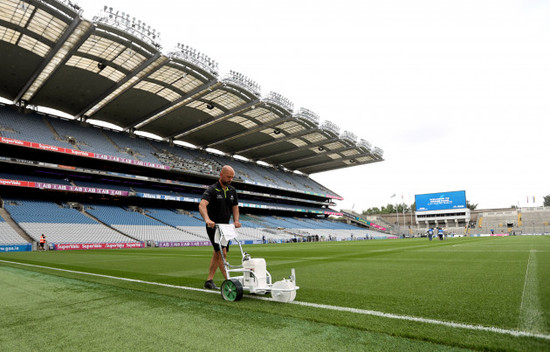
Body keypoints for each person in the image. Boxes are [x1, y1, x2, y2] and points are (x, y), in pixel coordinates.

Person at [198, 165, 241, 290]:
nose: (230, 179)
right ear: (221, 174)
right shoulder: (212, 189)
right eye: (228, 177)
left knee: (218, 254)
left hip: (226, 228)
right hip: (214, 227)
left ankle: (209, 280)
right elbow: (202, 205)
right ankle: (229, 281)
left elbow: (235, 207)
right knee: (221, 253)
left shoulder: (232, 190)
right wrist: (207, 219)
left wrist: (236, 220)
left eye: (232, 177)